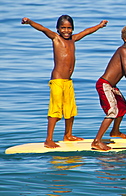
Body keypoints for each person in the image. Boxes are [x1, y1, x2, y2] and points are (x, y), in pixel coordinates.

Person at [21, 15, 108, 148]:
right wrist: (30, 22)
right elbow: (43, 29)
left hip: (68, 81)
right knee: (55, 110)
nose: (66, 31)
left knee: (70, 110)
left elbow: (87, 31)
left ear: (72, 29)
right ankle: (48, 139)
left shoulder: (73, 39)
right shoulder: (56, 38)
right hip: (57, 81)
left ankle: (68, 135)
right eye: (63, 28)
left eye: (69, 28)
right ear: (58, 29)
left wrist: (99, 26)